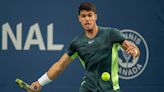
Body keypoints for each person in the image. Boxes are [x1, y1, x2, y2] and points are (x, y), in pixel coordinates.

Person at [28, 2, 140, 92]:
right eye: (83, 16)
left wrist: (134, 51)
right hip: (88, 87)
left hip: (111, 88)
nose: (87, 19)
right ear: (79, 19)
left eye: (90, 15)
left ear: (95, 16)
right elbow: (59, 65)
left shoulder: (112, 34)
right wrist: (39, 82)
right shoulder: (77, 43)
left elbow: (132, 48)